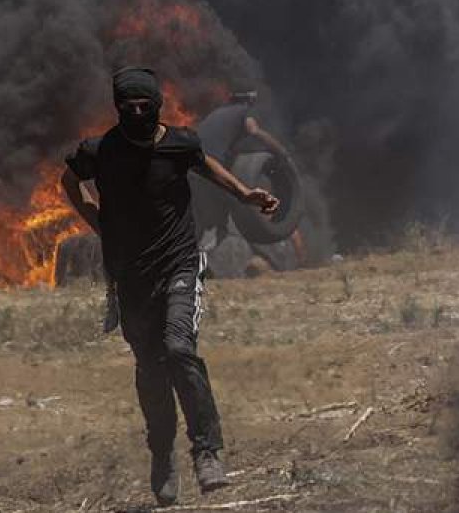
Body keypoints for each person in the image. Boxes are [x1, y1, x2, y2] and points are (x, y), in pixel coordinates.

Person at [60, 68, 279, 506]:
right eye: (129, 108)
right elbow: (70, 181)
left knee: (179, 349)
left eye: (145, 107)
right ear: (119, 108)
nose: (137, 113)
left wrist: (244, 194)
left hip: (179, 264)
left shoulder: (181, 143)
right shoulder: (101, 151)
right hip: (131, 277)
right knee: (151, 369)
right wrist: (96, 222)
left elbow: (205, 166)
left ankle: (207, 452)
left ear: (156, 105)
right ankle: (162, 456)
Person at [194, 88, 305, 266]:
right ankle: (201, 264)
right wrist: (281, 152)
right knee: (219, 224)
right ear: (249, 101)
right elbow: (254, 132)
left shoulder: (217, 114)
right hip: (211, 170)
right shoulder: (243, 112)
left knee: (202, 224)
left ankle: (190, 264)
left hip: (191, 169)